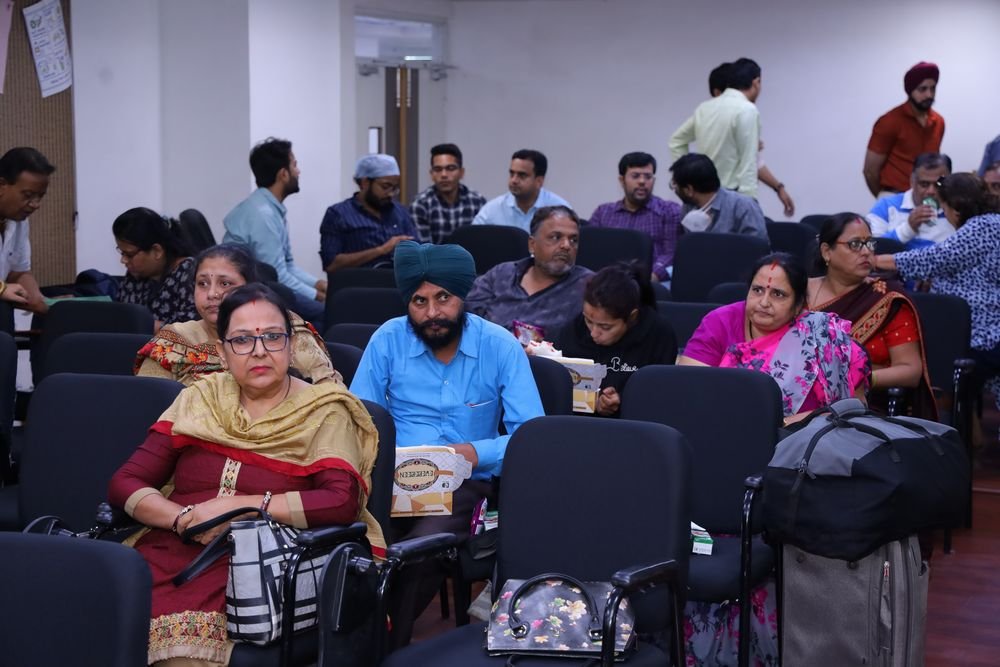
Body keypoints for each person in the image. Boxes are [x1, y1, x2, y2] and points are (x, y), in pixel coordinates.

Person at [109, 283, 385, 665]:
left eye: (272, 337)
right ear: (222, 352)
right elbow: (125, 482)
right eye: (241, 340)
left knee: (178, 647)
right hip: (170, 548)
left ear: (291, 346)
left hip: (265, 563)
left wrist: (243, 508)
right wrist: (181, 518)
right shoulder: (200, 398)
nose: (259, 351)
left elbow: (340, 502)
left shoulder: (324, 410)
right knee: (97, 617)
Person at [350, 240, 544, 647]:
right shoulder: (388, 340)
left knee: (420, 548)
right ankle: (353, 634)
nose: (432, 312)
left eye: (443, 298)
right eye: (419, 301)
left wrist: (473, 453)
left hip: (466, 481)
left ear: (462, 296)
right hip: (393, 476)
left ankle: (382, 646)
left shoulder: (499, 346)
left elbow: (532, 437)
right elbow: (358, 419)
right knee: (356, 537)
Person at [680, 252, 869, 423]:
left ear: (799, 305)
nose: (763, 302)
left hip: (802, 440)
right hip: (719, 426)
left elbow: (853, 410)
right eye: (757, 290)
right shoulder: (720, 322)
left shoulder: (824, 336)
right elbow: (690, 386)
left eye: (778, 294)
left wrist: (785, 425)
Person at [135, 243, 340, 387]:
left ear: (250, 287)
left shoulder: (284, 330)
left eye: (225, 283)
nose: (212, 294)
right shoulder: (173, 342)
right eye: (202, 284)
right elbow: (146, 404)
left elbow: (329, 394)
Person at [874, 173, 1000, 402]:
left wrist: (873, 261)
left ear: (955, 208)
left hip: (982, 332)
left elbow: (933, 259)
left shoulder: (981, 226)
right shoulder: (989, 223)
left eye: (943, 206)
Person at [809, 213, 935, 418]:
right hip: (800, 396)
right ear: (826, 251)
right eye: (855, 244)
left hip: (862, 406)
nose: (866, 251)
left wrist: (859, 378)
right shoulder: (800, 293)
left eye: (870, 243)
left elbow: (911, 370)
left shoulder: (886, 298)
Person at [222, 137, 326, 327]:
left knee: (327, 307)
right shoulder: (262, 214)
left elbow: (288, 265)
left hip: (265, 285)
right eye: (294, 165)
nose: (299, 171)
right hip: (253, 291)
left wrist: (318, 284)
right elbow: (277, 275)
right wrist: (317, 296)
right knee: (324, 314)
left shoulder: (269, 208)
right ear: (283, 174)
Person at [556, 262, 677, 417]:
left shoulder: (658, 335)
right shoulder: (573, 331)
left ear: (632, 317)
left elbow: (659, 392)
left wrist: (624, 400)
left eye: (605, 327)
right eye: (588, 321)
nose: (593, 333)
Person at [466, 205, 593, 341]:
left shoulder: (589, 286)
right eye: (556, 237)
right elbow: (467, 315)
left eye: (573, 240)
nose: (566, 245)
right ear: (532, 244)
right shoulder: (502, 274)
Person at [704, 61, 796, 217]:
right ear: (718, 93)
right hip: (719, 206)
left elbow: (755, 162)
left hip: (741, 203)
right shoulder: (709, 121)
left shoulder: (743, 117)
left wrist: (778, 187)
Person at [669, 57, 762, 198]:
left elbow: (676, 141)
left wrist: (686, 177)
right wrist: (750, 201)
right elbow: (748, 162)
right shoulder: (747, 109)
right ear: (756, 82)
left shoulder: (704, 108)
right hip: (731, 195)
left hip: (701, 195)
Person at [588, 152, 683, 283]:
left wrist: (651, 277)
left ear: (654, 180)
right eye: (635, 176)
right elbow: (592, 251)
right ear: (622, 180)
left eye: (648, 177)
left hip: (653, 283)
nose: (642, 182)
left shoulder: (669, 211)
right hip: (609, 283)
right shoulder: (603, 213)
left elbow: (671, 253)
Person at [319, 153, 418, 274]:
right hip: (358, 283)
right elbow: (331, 264)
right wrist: (381, 250)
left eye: (394, 188)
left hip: (398, 282)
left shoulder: (400, 212)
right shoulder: (338, 214)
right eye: (385, 187)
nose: (390, 193)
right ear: (365, 182)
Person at [864, 62, 944, 198]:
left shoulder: (938, 122)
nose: (929, 95)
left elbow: (935, 165)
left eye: (933, 88)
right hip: (894, 194)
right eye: (922, 89)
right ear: (910, 91)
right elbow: (870, 171)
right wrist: (885, 198)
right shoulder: (890, 121)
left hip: (927, 196)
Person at [114, 207, 197, 327]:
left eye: (130, 254)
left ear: (157, 251)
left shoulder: (189, 274)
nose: (123, 260)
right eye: (122, 253)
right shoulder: (135, 274)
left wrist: (150, 327)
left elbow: (192, 330)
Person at [0, 147, 55, 314]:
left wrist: (41, 300)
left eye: (40, 196)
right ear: (1, 185)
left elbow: (18, 272)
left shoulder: (19, 220)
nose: (35, 204)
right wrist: (2, 289)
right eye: (28, 195)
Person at [867, 152, 954, 250]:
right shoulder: (885, 207)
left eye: (938, 184)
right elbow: (870, 248)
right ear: (912, 181)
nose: (931, 191)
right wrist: (908, 229)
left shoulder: (957, 211)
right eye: (924, 184)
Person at [668, 153, 768, 238]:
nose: (674, 189)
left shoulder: (743, 206)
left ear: (689, 190)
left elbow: (758, 248)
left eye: (675, 185)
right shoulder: (688, 208)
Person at [471, 149, 570, 231]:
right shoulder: (492, 210)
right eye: (512, 174)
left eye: (522, 175)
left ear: (539, 181)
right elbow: (472, 240)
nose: (514, 180)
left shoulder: (560, 209)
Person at [409, 143, 486, 244]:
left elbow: (482, 242)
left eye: (450, 168)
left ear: (461, 172)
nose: (444, 175)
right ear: (431, 174)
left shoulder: (477, 202)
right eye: (438, 169)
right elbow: (425, 249)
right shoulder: (421, 204)